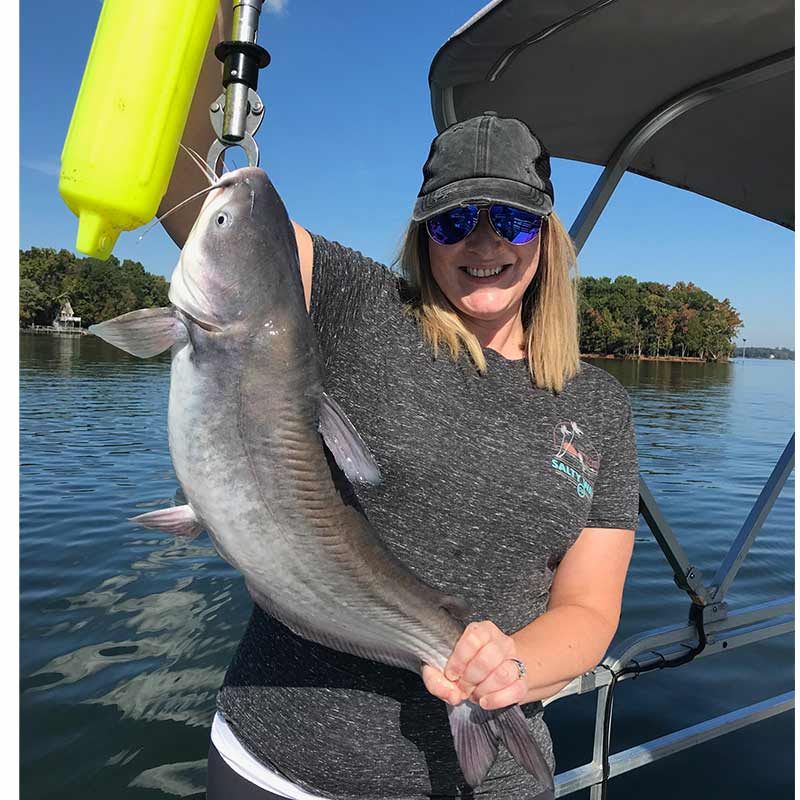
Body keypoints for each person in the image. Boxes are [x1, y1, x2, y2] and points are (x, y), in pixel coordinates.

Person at [162, 51, 638, 800]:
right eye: (455, 221)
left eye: (510, 219)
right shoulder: (360, 303)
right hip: (277, 765)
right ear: (424, 235)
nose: (484, 244)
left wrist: (507, 663)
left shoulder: (601, 405)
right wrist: (209, 33)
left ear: (546, 237)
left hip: (487, 778)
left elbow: (589, 607)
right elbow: (201, 205)